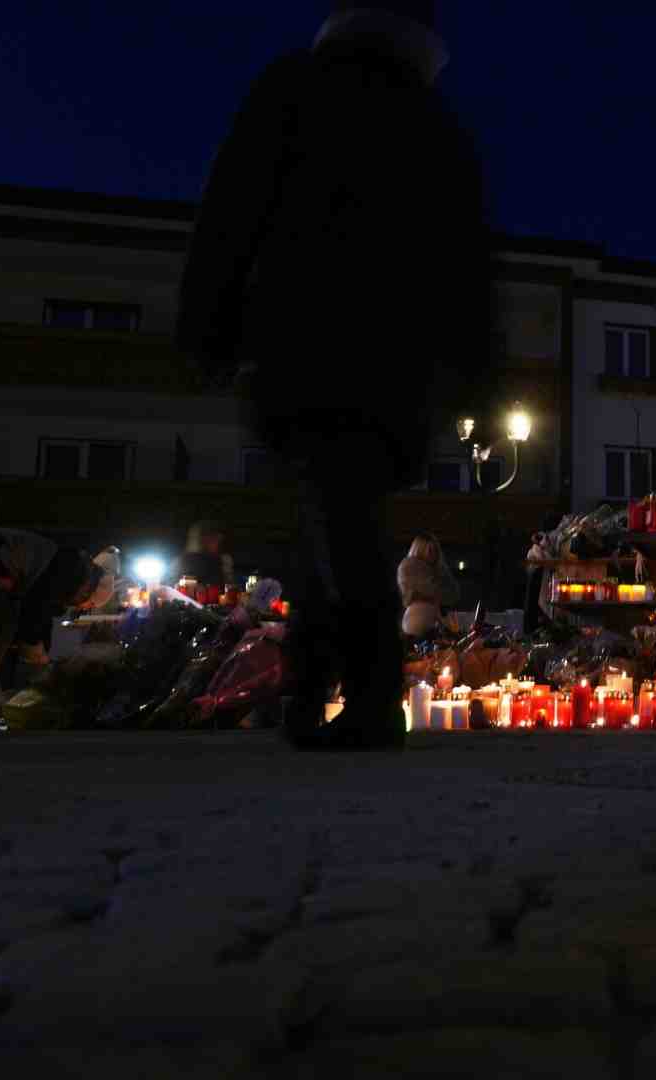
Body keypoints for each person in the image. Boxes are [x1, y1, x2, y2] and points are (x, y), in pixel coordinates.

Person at [176, 1, 493, 750]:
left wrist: (208, 325)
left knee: (330, 517)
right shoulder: (433, 122)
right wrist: (471, 366)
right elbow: (467, 258)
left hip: (306, 338)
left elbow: (232, 208)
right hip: (397, 359)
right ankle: (321, 690)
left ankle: (356, 695)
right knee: (339, 517)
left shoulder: (294, 90)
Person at [0, 529, 116, 726]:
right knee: (0, 629)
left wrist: (34, 646)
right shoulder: (74, 571)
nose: (83, 608)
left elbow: (34, 614)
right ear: (88, 592)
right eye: (89, 604)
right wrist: (40, 662)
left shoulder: (66, 567)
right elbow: (35, 615)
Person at [398, 534, 458, 638]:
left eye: (435, 550)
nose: (432, 554)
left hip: (434, 622)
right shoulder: (409, 567)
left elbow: (453, 594)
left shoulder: (437, 569)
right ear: (419, 549)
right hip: (417, 620)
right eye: (429, 550)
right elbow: (433, 590)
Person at [174, 520, 236, 595]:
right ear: (202, 539)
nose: (218, 542)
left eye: (218, 539)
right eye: (213, 538)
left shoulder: (222, 561)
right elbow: (174, 584)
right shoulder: (184, 561)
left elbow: (228, 585)